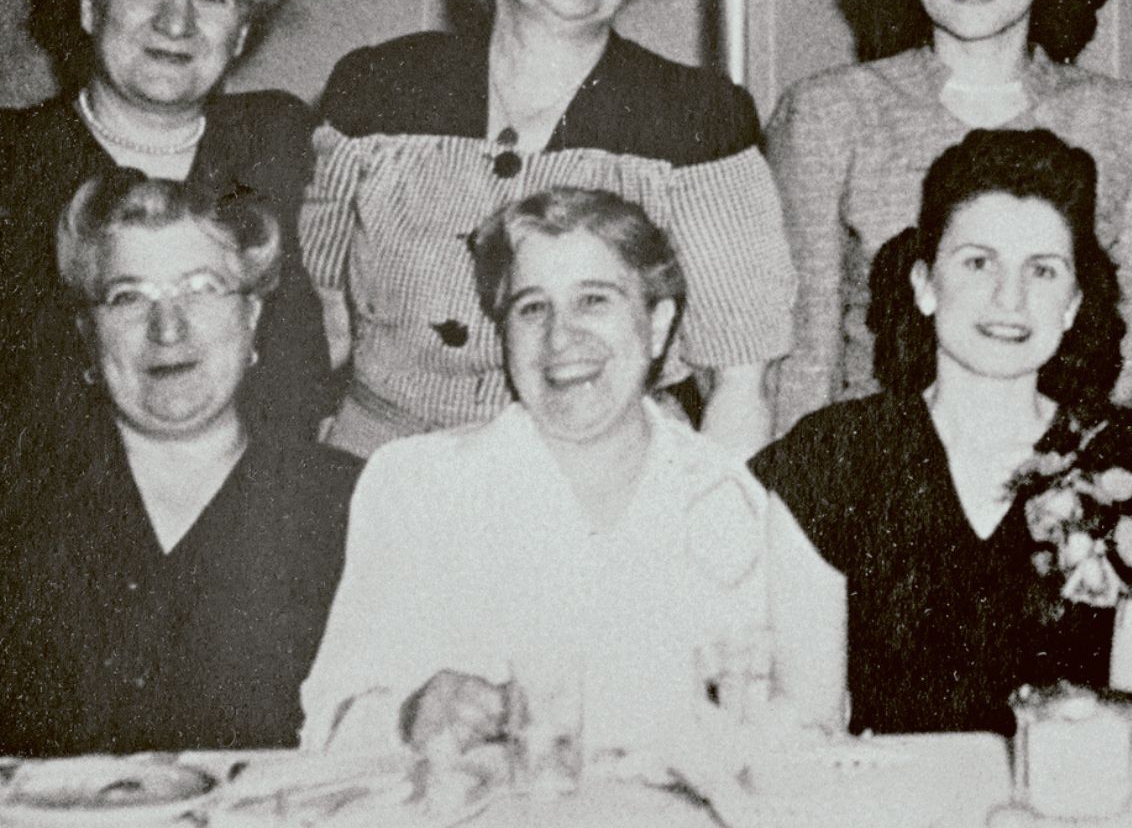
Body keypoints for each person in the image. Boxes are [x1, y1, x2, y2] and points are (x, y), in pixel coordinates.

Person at [302, 0, 792, 459]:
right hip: (377, 473)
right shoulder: (379, 89)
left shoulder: (698, 120)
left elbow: (739, 383)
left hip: (599, 481)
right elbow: (322, 321)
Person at [300, 188, 780, 760]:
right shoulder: (418, 485)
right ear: (503, 335)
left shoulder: (727, 495)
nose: (560, 338)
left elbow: (787, 723)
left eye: (594, 301)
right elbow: (329, 724)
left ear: (657, 325)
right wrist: (408, 714)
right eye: (532, 307)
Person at [755, 129, 1132, 735]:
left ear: (1072, 304)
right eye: (978, 262)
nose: (1009, 298)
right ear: (925, 284)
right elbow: (810, 728)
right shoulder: (833, 456)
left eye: (1043, 270)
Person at [768, 0, 1132, 434]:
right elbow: (804, 362)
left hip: (1060, 491)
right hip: (874, 483)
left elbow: (1130, 367)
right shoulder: (827, 115)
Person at [0, 0, 343, 459]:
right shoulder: (13, 163)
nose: (176, 24)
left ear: (241, 32)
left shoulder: (282, 148)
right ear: (90, 6)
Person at [0, 174, 360, 756]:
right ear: (88, 336)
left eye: (201, 288)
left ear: (251, 320)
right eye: (128, 297)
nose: (168, 329)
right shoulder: (17, 502)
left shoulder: (348, 502)